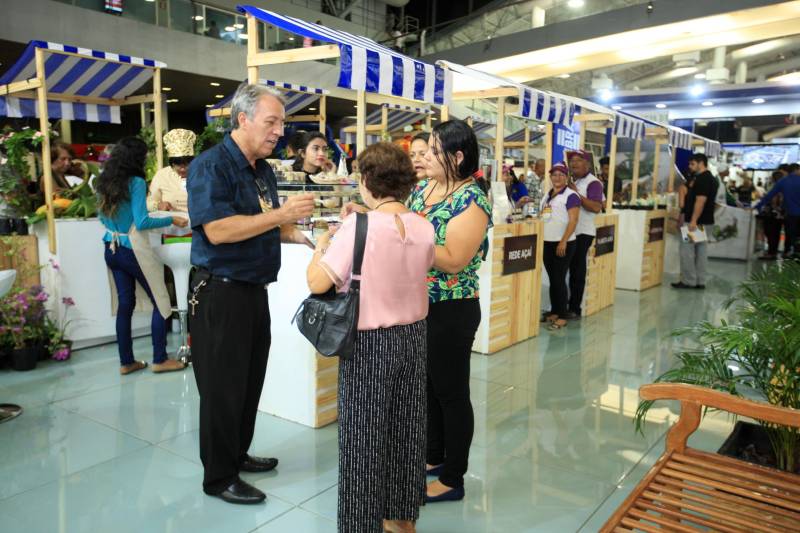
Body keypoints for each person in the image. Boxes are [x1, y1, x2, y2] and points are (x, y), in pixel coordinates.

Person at [187, 83, 315, 505]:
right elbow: (219, 230)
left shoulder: (262, 170)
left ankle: (237, 454)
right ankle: (219, 477)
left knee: (247, 382)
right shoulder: (211, 167)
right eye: (271, 122)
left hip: (253, 291)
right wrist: (281, 215)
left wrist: (303, 235)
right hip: (220, 293)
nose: (279, 131)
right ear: (242, 119)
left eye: (282, 123)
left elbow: (265, 224)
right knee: (222, 389)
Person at [307, 142, 434, 533]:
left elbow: (317, 282)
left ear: (366, 181)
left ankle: (361, 525)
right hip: (414, 338)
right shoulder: (423, 226)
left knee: (362, 440)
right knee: (406, 432)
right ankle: (401, 518)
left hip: (369, 345)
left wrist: (322, 246)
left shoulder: (356, 228)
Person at [408, 120, 491, 503]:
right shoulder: (424, 188)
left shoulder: (471, 200)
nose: (425, 156)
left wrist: (406, 238)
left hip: (452, 308)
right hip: (418, 305)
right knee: (428, 387)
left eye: (433, 150)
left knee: (451, 393)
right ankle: (434, 456)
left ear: (457, 157)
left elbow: (455, 259)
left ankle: (453, 478)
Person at [95, 137, 188, 375]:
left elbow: (102, 216)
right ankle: (160, 359)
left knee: (125, 304)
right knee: (161, 300)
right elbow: (142, 221)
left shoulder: (103, 181)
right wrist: (172, 219)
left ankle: (126, 362)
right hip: (132, 249)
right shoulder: (135, 182)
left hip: (110, 246)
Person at [540, 162, 580, 331]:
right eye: (554, 174)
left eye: (561, 175)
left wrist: (563, 241)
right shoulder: (547, 195)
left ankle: (562, 316)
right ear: (550, 177)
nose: (557, 178)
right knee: (553, 279)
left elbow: (573, 220)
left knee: (559, 278)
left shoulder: (571, 195)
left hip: (563, 243)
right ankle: (555, 311)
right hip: (547, 242)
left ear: (567, 177)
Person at [565, 150, 604, 319]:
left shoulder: (593, 183)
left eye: (578, 160)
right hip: (569, 231)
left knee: (577, 270)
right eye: (572, 160)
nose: (574, 163)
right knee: (569, 269)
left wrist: (576, 194)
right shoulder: (572, 181)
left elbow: (596, 207)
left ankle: (575, 308)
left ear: (587, 164)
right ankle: (564, 305)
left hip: (583, 232)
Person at [672, 153, 718, 290]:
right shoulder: (711, 179)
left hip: (696, 222)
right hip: (706, 221)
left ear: (701, 163)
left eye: (692, 164)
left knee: (687, 251)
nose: (690, 167)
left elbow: (700, 201)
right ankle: (700, 281)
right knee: (701, 251)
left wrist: (693, 221)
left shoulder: (703, 179)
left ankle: (689, 281)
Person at [755, 163, 800, 259]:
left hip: (790, 214)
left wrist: (757, 206)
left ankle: (786, 253)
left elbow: (769, 196)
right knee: (795, 236)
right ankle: (792, 253)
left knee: (785, 234)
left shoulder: (783, 181)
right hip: (790, 213)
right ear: (796, 170)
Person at [147, 128, 196, 212]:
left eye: (186, 164)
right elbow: (148, 203)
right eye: (178, 164)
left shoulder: (202, 173)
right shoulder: (162, 175)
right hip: (172, 219)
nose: (183, 168)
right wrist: (158, 205)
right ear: (171, 163)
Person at [757, 171, 785, 260]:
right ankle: (773, 252)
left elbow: (773, 200)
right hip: (780, 214)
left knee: (770, 233)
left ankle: (771, 252)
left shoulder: (776, 187)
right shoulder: (784, 187)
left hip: (772, 214)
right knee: (776, 233)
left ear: (773, 178)